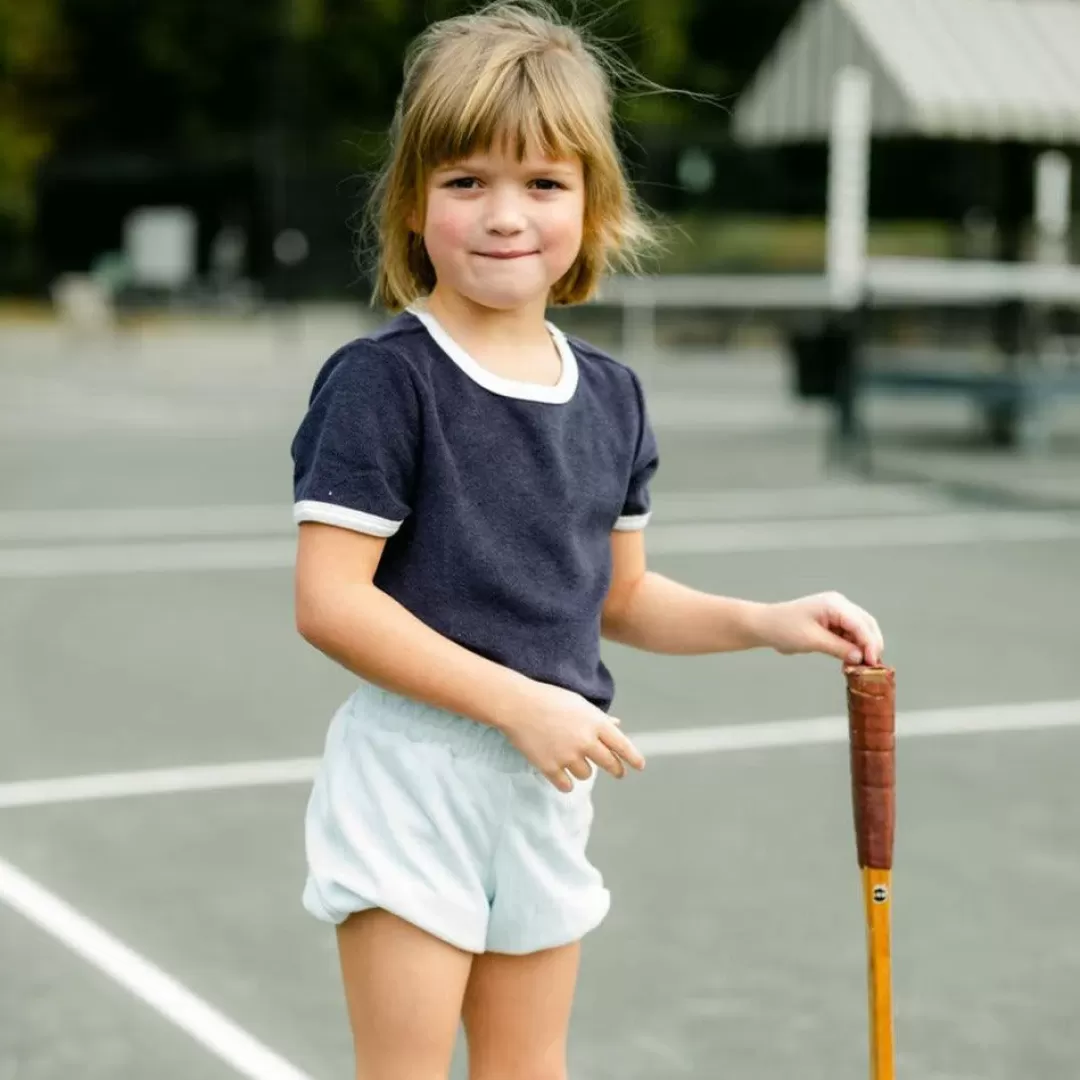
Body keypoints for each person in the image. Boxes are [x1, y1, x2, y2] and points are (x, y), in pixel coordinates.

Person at [290, 3, 885, 1077]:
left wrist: (767, 621)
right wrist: (521, 703)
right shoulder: (385, 383)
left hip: (547, 784)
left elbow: (620, 598)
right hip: (413, 776)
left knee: (529, 1067)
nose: (504, 214)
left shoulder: (611, 396)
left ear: (593, 204)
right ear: (413, 204)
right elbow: (332, 602)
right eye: (467, 181)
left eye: (542, 184)